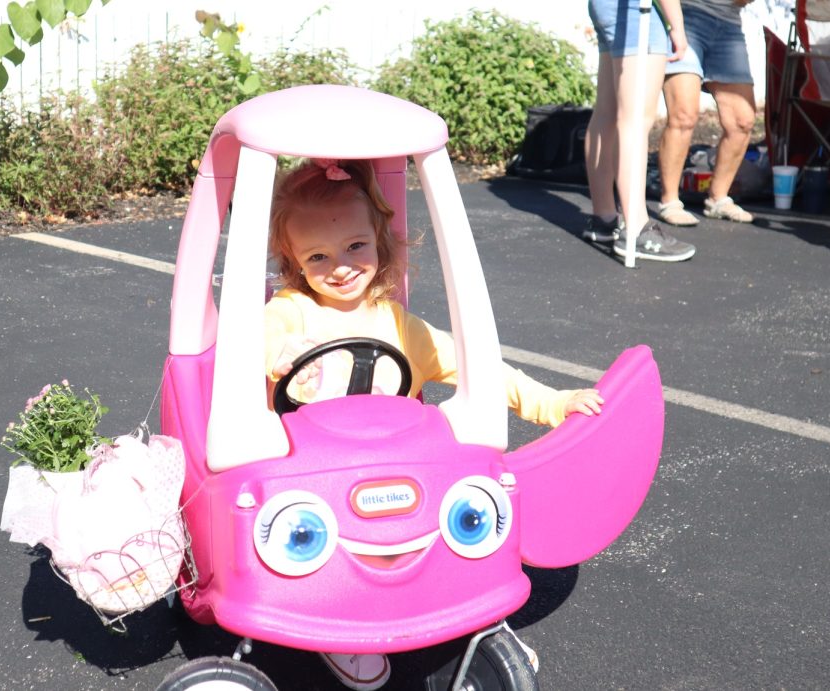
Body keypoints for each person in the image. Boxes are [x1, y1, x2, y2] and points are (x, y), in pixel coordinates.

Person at [265, 158, 605, 690]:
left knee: (458, 505)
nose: (340, 267)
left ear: (380, 240)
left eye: (355, 246)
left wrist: (552, 403)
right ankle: (335, 623)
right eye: (318, 256)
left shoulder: (400, 327)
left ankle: (475, 616)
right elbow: (259, 340)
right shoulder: (291, 312)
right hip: (315, 481)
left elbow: (478, 367)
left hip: (395, 478)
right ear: (293, 260)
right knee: (320, 539)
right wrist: (283, 355)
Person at [583, 0, 697, 262]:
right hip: (636, 9)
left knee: (607, 113)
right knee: (635, 119)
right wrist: (677, 25)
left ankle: (604, 218)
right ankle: (636, 228)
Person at [655, 0, 758, 227]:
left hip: (729, 24)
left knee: (742, 121)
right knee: (683, 115)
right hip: (686, 16)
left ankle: (718, 199)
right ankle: (670, 201)